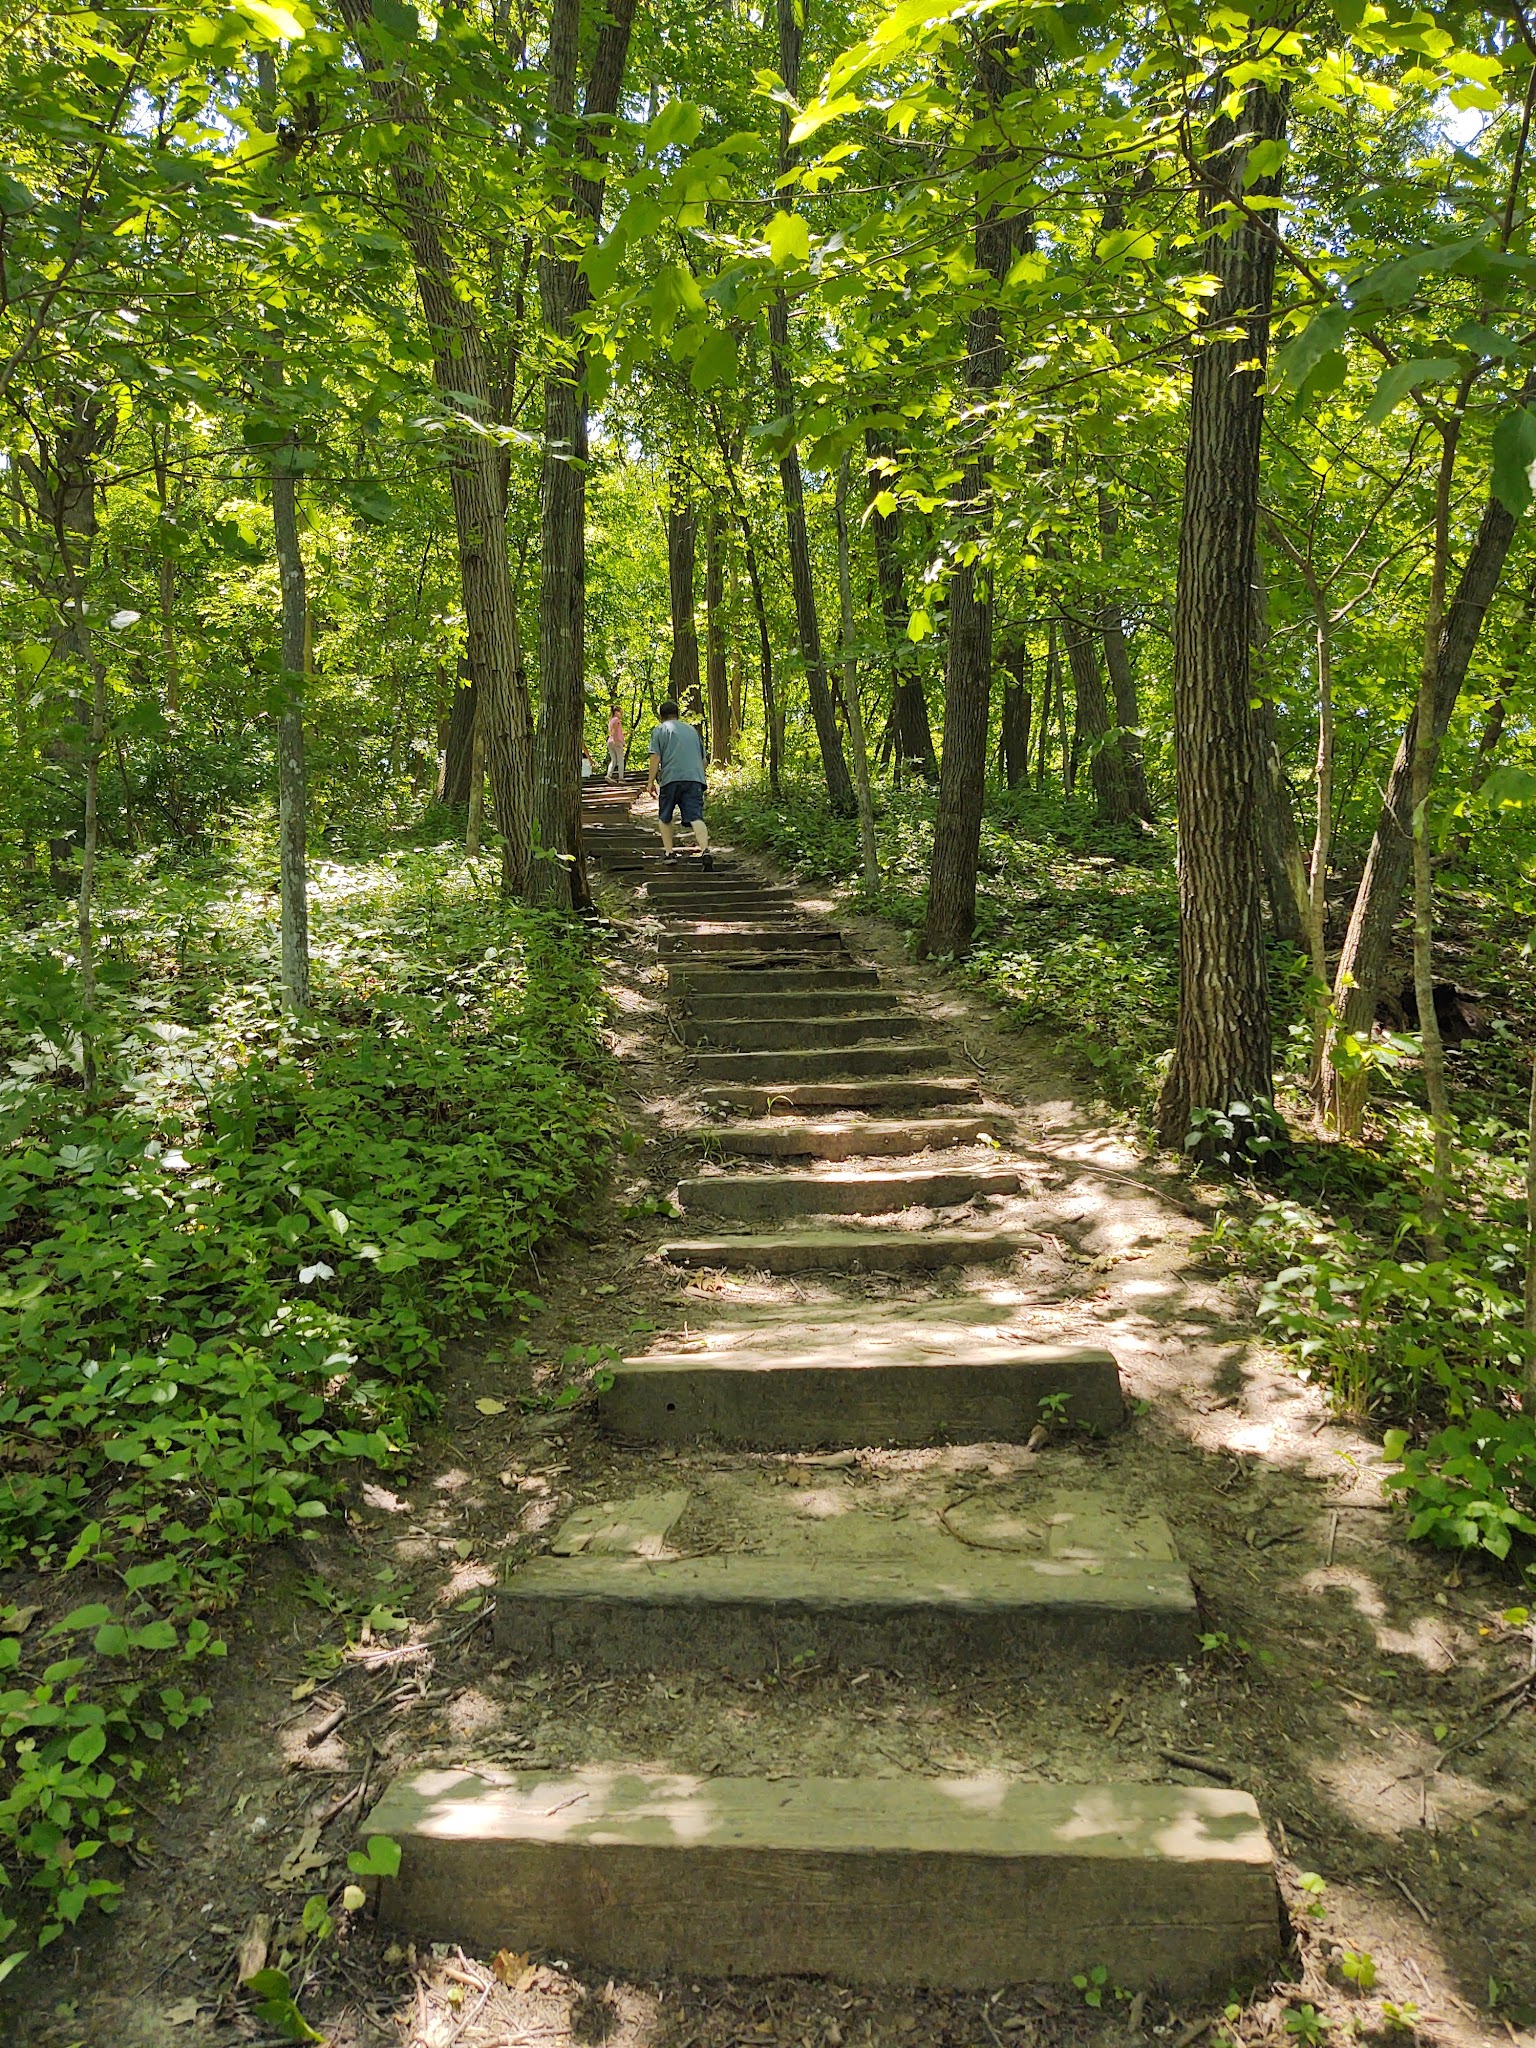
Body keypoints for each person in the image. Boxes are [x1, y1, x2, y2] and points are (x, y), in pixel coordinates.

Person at [646, 698, 712, 868]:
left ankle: (669, 853)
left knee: (665, 816)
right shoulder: (692, 731)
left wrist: (650, 782)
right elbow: (704, 761)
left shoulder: (660, 730)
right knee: (696, 817)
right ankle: (705, 851)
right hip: (694, 779)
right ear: (678, 714)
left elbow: (655, 757)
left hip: (670, 778)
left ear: (661, 716)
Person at [605, 706, 626, 781]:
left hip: (610, 741)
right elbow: (614, 730)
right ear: (616, 712)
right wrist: (615, 740)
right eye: (620, 712)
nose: (621, 714)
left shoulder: (611, 720)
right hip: (616, 742)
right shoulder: (616, 720)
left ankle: (609, 775)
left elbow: (615, 731)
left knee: (613, 760)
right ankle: (621, 778)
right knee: (620, 760)